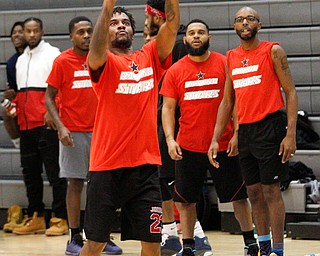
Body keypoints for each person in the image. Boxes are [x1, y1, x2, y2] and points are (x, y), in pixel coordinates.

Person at [79, 0, 180, 255]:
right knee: (95, 244)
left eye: (125, 23)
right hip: (107, 168)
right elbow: (97, 46)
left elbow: (173, 24)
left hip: (145, 168)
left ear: (134, 30)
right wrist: (107, 6)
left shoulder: (150, 56)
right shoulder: (102, 62)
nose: (120, 26)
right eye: (114, 23)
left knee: (152, 245)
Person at [161, 19, 258, 256]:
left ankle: (250, 242)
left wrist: (237, 133)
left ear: (209, 38)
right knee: (185, 201)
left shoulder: (224, 64)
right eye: (192, 33)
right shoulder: (175, 71)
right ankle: (188, 247)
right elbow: (167, 108)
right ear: (185, 40)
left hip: (223, 146)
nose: (196, 36)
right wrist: (170, 140)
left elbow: (234, 102)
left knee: (238, 197)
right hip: (188, 147)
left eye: (201, 32)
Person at [208, 7, 298, 256]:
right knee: (253, 192)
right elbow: (227, 102)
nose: (244, 22)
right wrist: (217, 138)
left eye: (250, 19)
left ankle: (278, 250)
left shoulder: (273, 51)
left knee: (271, 190)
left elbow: (290, 91)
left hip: (270, 127)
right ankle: (263, 245)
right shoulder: (231, 57)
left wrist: (290, 134)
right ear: (234, 27)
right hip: (245, 132)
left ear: (259, 24)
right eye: (239, 19)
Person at [45, 16, 122, 255]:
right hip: (74, 132)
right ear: (71, 36)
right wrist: (61, 127)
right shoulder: (62, 61)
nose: (87, 35)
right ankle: (75, 236)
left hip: (103, 131)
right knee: (75, 183)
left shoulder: (104, 58)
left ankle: (101, 235)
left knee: (103, 186)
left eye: (90, 31)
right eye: (81, 32)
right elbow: (49, 97)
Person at [145, 1, 212, 255]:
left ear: (157, 14)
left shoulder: (176, 44)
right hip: (161, 118)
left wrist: (172, 130)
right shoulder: (159, 43)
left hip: (175, 121)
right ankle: (170, 233)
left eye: (148, 13)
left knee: (179, 183)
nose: (145, 17)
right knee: (163, 179)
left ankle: (196, 235)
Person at [6, 17, 68, 236]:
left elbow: (64, 85)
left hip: (46, 124)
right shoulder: (21, 59)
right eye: (28, 31)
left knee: (55, 172)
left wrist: (54, 112)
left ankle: (60, 218)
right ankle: (37, 216)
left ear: (42, 31)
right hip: (25, 126)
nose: (31, 35)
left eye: (35, 31)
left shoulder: (53, 54)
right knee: (30, 174)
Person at [1, 21, 27, 149]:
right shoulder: (11, 63)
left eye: (20, 32)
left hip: (39, 99)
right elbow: (12, 88)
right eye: (14, 33)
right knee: (6, 109)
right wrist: (9, 95)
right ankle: (20, 144)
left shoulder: (40, 56)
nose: (16, 35)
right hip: (21, 100)